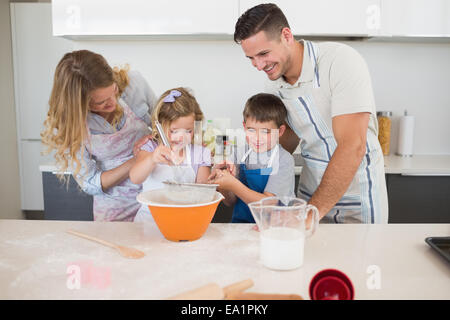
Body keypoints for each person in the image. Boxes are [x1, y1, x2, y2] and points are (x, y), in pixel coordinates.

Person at [234, 3, 388, 224]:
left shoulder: (340, 61)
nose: (258, 65)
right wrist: (239, 165)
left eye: (264, 53)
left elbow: (352, 146)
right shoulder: (274, 85)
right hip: (309, 195)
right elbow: (282, 143)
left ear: (286, 35)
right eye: (251, 58)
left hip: (358, 196)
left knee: (359, 258)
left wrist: (309, 215)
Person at [41, 50, 157, 222]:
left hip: (154, 191)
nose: (113, 102)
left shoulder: (134, 84)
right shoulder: (71, 124)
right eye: (101, 102)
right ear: (78, 105)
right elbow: (90, 182)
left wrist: (154, 144)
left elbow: (164, 125)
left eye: (114, 91)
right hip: (114, 207)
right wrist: (137, 160)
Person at [209, 93, 295, 223]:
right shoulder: (238, 154)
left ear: (280, 131)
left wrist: (233, 184)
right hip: (241, 226)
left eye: (265, 131)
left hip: (275, 228)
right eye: (251, 130)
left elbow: (269, 205)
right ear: (244, 127)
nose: (257, 138)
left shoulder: (283, 160)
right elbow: (230, 201)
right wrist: (221, 181)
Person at [130, 87, 212, 223]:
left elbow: (203, 194)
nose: (181, 137)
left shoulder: (200, 153)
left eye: (188, 131)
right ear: (160, 126)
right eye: (174, 131)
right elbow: (135, 177)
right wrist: (152, 159)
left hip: (185, 220)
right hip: (149, 221)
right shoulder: (150, 148)